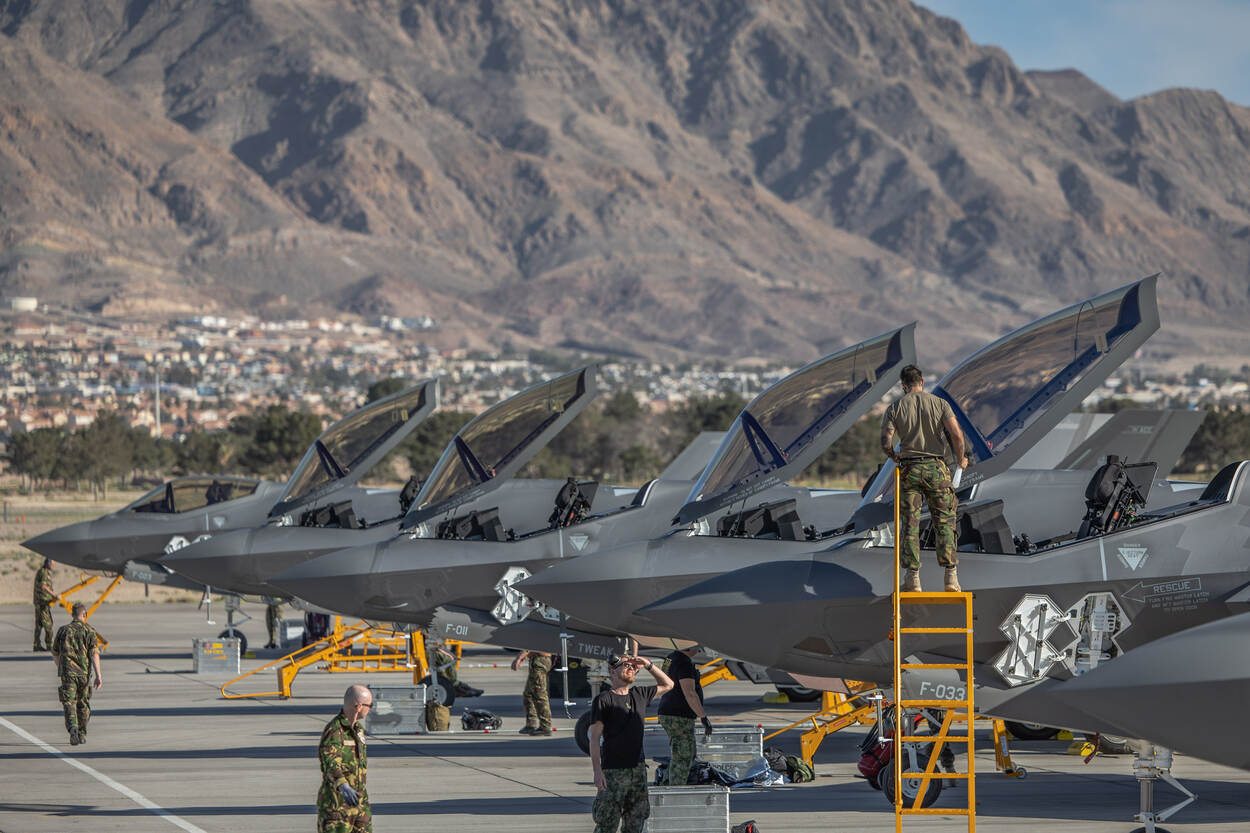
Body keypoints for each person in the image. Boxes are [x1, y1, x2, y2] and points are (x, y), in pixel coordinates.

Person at [880, 364, 968, 592]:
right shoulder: (940, 404)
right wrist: (961, 459)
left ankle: (913, 579)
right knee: (945, 521)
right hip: (937, 469)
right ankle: (951, 578)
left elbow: (885, 441)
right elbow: (957, 435)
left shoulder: (895, 407)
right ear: (921, 382)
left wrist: (894, 456)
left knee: (910, 524)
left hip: (909, 469)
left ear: (903, 385)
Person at [589, 654, 673, 833]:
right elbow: (594, 738)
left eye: (632, 667)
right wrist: (597, 771)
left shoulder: (640, 694)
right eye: (625, 666)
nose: (630, 669)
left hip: (637, 771)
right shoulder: (604, 700)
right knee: (607, 823)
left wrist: (648, 665)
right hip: (613, 771)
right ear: (612, 672)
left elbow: (668, 684)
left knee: (636, 821)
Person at [318, 684, 373, 833]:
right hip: (338, 805)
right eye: (370, 705)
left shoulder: (358, 730)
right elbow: (330, 762)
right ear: (359, 706)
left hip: (359, 803)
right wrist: (343, 785)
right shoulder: (335, 730)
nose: (371, 709)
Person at [656, 645, 713, 785]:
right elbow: (690, 693)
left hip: (668, 711)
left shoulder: (670, 657)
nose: (699, 650)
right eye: (697, 647)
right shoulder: (684, 663)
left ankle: (668, 783)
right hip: (679, 716)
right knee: (683, 756)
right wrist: (703, 717)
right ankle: (675, 790)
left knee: (681, 753)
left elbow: (662, 680)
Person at [50, 602, 103, 745]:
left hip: (68, 674)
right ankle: (82, 732)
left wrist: (61, 667)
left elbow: (55, 653)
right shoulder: (89, 631)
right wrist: (98, 675)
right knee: (83, 704)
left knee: (69, 703)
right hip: (84, 675)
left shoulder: (63, 631)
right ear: (84, 615)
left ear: (73, 614)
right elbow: (94, 654)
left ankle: (73, 727)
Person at [510, 649, 553, 735]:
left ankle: (545, 727)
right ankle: (531, 724)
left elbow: (529, 647)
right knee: (528, 694)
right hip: (536, 660)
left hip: (540, 660)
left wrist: (519, 658)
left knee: (540, 694)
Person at [33, 558, 56, 651]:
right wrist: (53, 595)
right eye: (53, 564)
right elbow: (43, 586)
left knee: (38, 625)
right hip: (42, 604)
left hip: (40, 602)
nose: (54, 566)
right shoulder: (44, 573)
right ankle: (50, 645)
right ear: (48, 564)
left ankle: (36, 645)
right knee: (48, 625)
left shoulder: (43, 571)